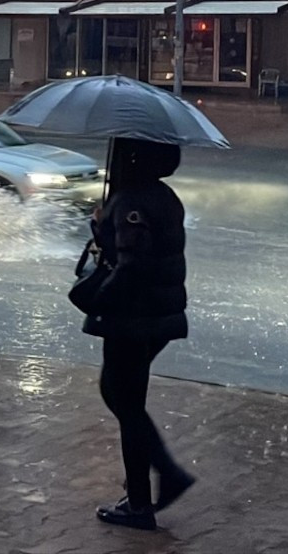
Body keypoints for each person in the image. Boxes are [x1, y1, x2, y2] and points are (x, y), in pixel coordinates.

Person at [85, 137, 196, 531]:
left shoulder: (131, 201)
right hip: (156, 316)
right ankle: (155, 483)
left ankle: (143, 500)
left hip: (134, 317)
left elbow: (132, 264)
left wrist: (98, 298)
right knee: (119, 394)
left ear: (131, 158)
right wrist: (103, 228)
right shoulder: (162, 195)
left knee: (126, 402)